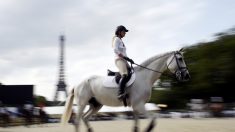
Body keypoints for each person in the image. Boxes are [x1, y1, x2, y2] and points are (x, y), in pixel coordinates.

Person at [112, 25, 134, 100]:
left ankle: (113, 73)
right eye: (124, 32)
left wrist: (129, 59)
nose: (125, 33)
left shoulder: (121, 41)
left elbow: (124, 53)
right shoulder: (116, 39)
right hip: (119, 59)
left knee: (132, 72)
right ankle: (120, 93)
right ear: (119, 32)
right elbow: (115, 50)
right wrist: (123, 56)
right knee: (124, 74)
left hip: (124, 60)